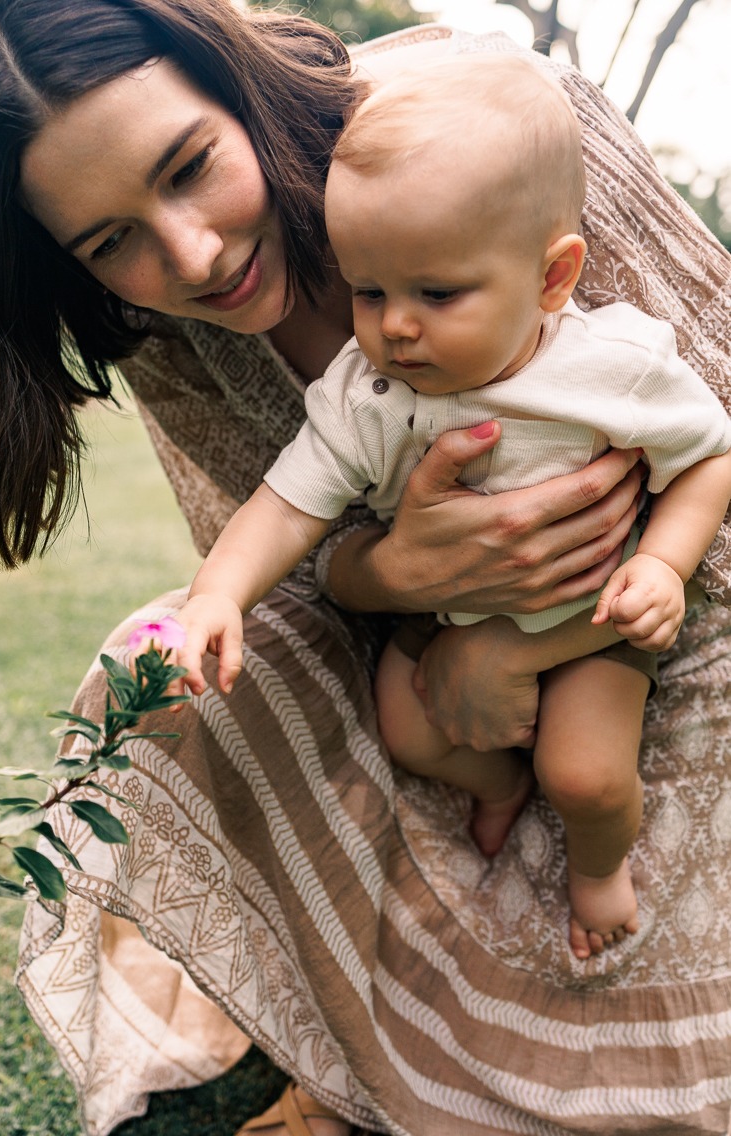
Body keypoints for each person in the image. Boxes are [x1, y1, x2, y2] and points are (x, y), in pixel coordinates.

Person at [0, 2, 731, 1134]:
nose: (191, 253)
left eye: (192, 165)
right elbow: (277, 568)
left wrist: (527, 640)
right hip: (431, 680)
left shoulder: (508, 136)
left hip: (671, 635)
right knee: (155, 673)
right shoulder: (173, 322)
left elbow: (718, 445)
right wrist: (404, 586)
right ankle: (402, 997)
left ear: (231, 79)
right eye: (109, 240)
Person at [169, 54, 731, 962]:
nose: (395, 326)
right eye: (371, 290)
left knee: (585, 774)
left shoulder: (611, 368)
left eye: (438, 293)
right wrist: (216, 595)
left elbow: (710, 457)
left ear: (552, 280)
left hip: (589, 621)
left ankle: (597, 870)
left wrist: (662, 562)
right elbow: (285, 506)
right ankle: (497, 783)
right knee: (407, 726)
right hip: (441, 618)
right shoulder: (366, 395)